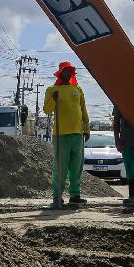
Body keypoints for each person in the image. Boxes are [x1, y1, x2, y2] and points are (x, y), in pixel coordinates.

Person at [43, 61, 89, 208]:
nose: (68, 73)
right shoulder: (52, 89)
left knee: (77, 167)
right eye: (66, 71)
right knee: (60, 167)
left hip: (77, 134)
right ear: (60, 73)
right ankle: (57, 196)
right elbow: (46, 110)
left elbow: (83, 110)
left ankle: (75, 195)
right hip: (61, 134)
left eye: (70, 71)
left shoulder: (78, 89)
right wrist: (54, 100)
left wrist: (86, 128)